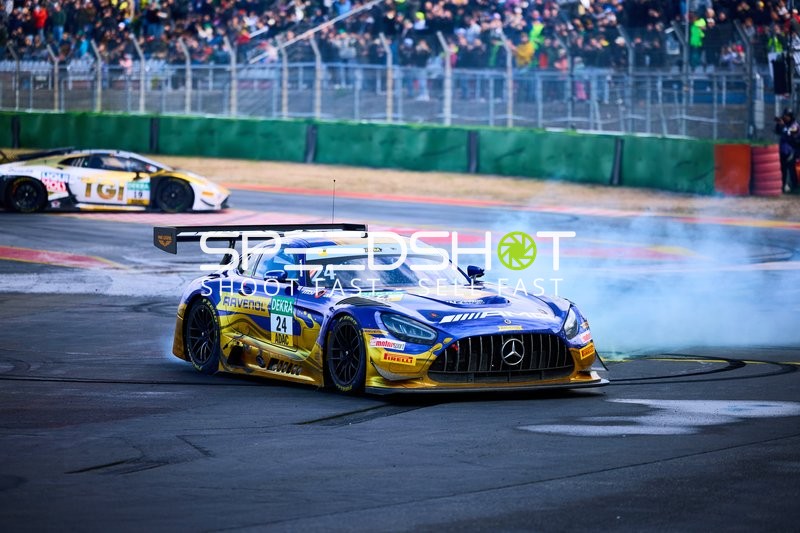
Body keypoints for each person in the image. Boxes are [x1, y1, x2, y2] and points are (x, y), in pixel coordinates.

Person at [774, 108, 799, 193]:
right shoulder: (784, 124)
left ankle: (794, 187)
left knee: (792, 170)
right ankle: (783, 186)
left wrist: (783, 125)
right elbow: (777, 131)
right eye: (785, 116)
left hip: (792, 150)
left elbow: (790, 133)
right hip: (783, 151)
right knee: (782, 170)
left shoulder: (795, 125)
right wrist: (778, 124)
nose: (786, 117)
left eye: (787, 116)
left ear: (791, 116)